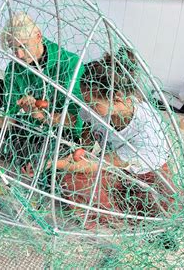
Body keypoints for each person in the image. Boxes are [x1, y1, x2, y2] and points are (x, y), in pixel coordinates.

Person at [49, 48, 176, 227]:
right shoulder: (96, 108)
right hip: (117, 167)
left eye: (93, 104)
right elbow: (82, 123)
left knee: (155, 213)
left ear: (116, 98)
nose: (88, 108)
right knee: (72, 181)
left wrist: (50, 163)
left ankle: (118, 220)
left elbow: (96, 164)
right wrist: (45, 116)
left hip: (148, 173)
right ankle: (110, 213)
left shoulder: (146, 132)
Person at [0, 12, 84, 171]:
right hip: (27, 131)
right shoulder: (13, 69)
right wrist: (0, 120)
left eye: (23, 46)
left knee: (43, 165)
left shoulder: (70, 64)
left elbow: (75, 120)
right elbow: (12, 112)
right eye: (13, 48)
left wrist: (44, 116)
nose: (19, 55)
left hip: (60, 135)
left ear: (38, 36)